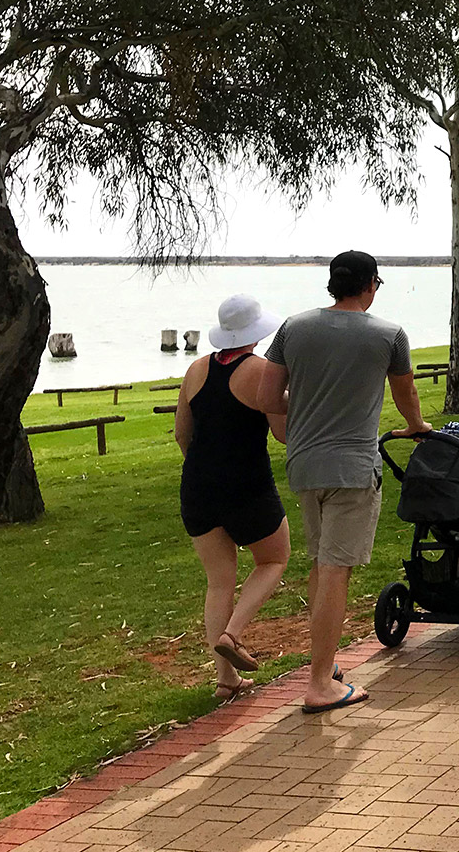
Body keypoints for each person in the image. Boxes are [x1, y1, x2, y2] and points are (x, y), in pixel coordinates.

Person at [257, 250, 430, 714]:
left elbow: (267, 396)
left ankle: (326, 665)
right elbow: (405, 393)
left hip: (305, 466)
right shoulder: (390, 335)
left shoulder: (293, 328)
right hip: (352, 469)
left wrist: (311, 404)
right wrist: (417, 426)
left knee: (320, 564)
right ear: (371, 283)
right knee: (337, 570)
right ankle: (319, 684)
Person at [175, 294, 290, 701]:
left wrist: (205, 468)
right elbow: (282, 432)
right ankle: (233, 633)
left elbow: (181, 434)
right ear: (256, 332)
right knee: (273, 558)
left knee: (218, 581)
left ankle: (225, 680)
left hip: (197, 488)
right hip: (248, 485)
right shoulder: (260, 371)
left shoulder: (194, 369)